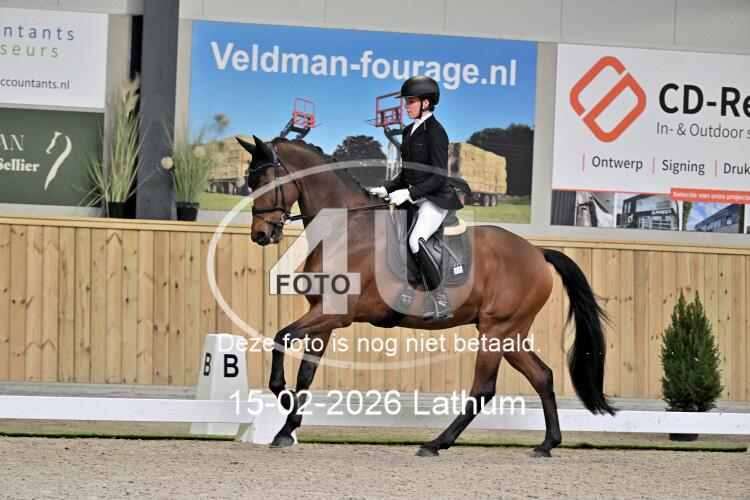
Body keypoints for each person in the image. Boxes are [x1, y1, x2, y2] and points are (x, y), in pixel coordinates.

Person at [369, 75, 467, 321]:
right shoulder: (408, 131)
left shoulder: (436, 132)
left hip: (435, 200)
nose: (406, 106)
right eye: (406, 101)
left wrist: (409, 193)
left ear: (426, 103)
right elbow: (406, 174)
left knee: (415, 240)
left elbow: (439, 176)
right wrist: (387, 188)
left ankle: (440, 299)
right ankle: (408, 290)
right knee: (393, 235)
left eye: (410, 101)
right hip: (415, 199)